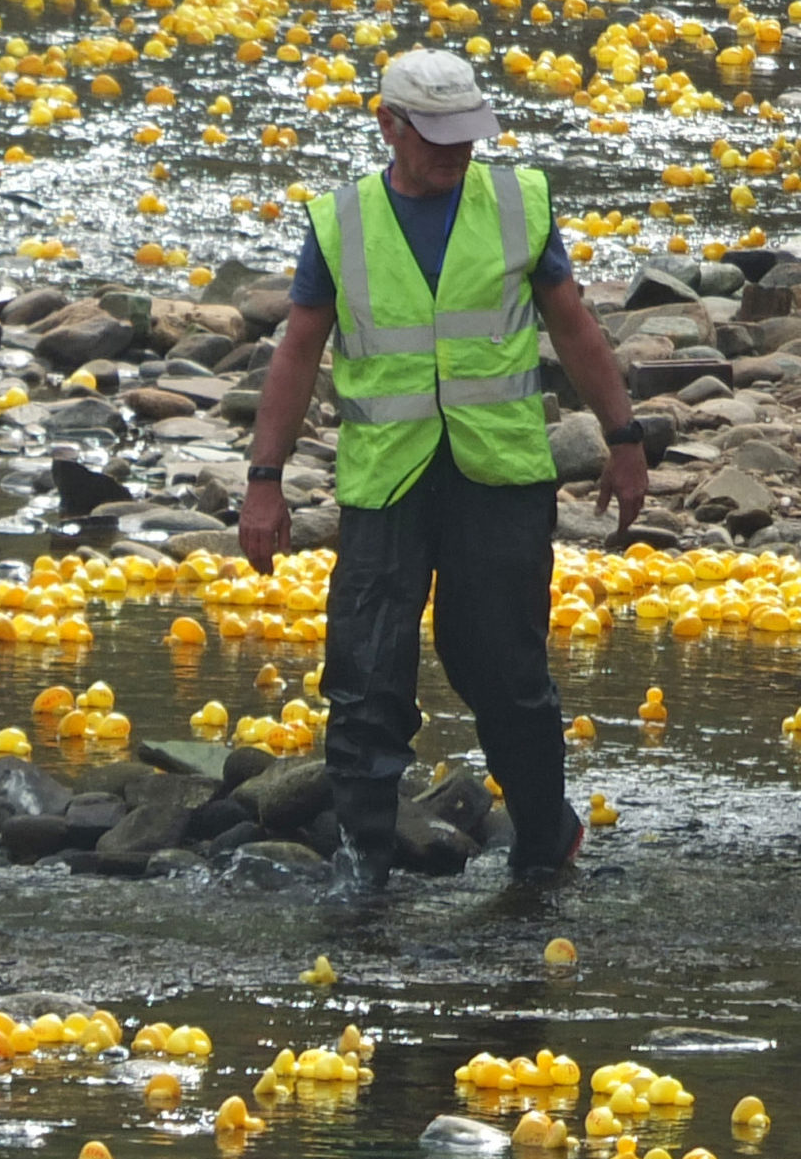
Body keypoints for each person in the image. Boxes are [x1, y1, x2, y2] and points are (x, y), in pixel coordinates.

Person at [238, 48, 648, 891]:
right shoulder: (342, 221)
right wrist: (264, 480)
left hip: (498, 479)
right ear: (388, 124)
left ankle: (543, 842)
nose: (458, 151)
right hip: (388, 482)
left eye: (468, 134)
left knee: (502, 667)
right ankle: (365, 863)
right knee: (366, 671)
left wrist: (625, 437)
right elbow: (299, 352)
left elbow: (572, 327)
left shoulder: (516, 202)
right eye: (437, 136)